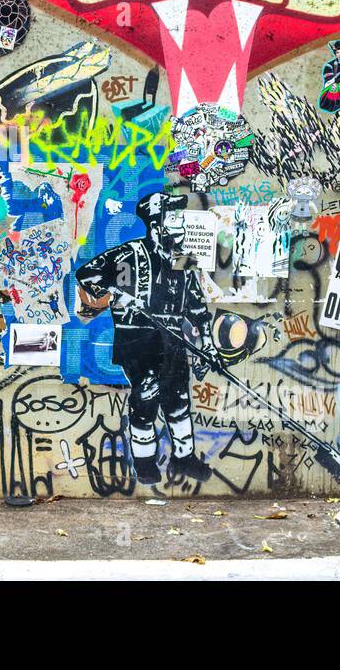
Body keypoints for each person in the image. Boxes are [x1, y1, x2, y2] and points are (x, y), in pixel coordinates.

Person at [75, 191, 215, 485]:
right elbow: (86, 274)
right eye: (173, 218)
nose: (180, 225)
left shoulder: (182, 261)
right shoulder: (128, 254)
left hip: (173, 340)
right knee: (146, 396)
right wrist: (115, 295)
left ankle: (184, 456)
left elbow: (198, 309)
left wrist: (207, 346)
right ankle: (145, 462)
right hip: (137, 339)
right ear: (157, 223)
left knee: (178, 399)